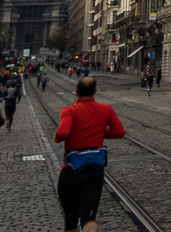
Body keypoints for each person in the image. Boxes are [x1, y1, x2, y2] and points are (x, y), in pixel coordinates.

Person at [55, 77, 125, 232]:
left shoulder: (69, 110)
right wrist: (98, 132)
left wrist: (58, 137)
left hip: (71, 170)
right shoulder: (106, 109)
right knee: (89, 219)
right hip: (94, 171)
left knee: (71, 221)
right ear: (95, 92)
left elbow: (62, 133)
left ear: (76, 92)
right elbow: (119, 132)